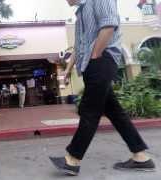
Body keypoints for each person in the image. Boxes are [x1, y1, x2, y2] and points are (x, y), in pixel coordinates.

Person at [49, 0, 155, 176]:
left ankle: (72, 160)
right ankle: (141, 157)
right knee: (115, 112)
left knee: (89, 110)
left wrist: (95, 55)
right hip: (93, 64)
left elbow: (109, 25)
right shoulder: (80, 14)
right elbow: (78, 46)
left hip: (101, 60)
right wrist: (67, 70)